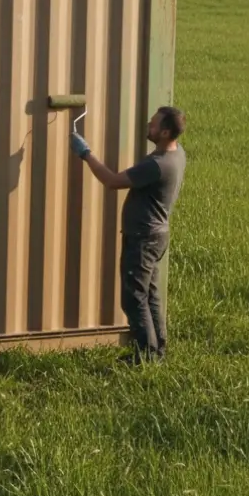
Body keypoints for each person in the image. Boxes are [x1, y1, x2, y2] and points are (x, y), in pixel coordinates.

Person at [71, 107, 187, 364]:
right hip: (157, 235)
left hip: (143, 238)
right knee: (151, 295)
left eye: (154, 124)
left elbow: (112, 181)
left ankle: (145, 356)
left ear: (165, 131)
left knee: (134, 298)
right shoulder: (177, 154)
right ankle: (157, 351)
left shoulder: (157, 165)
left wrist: (86, 153)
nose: (149, 125)